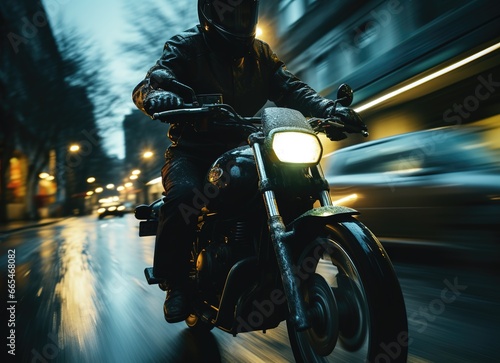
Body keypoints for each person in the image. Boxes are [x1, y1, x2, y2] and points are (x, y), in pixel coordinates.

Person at [132, 0, 365, 323]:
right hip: (193, 151)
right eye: (230, 10)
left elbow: (291, 88)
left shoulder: (261, 53)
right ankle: (178, 283)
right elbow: (148, 85)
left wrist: (328, 109)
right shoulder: (185, 47)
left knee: (295, 184)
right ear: (209, 12)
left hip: (249, 144)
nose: (238, 18)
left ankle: (290, 267)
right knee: (184, 196)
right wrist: (157, 96)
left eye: (244, 11)